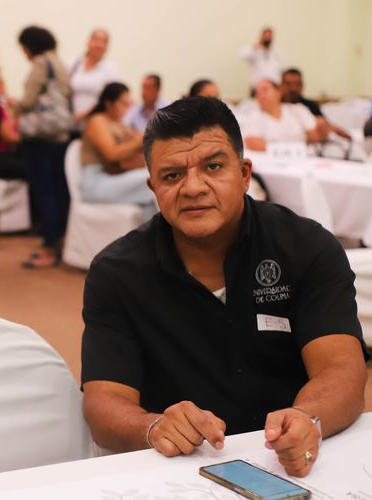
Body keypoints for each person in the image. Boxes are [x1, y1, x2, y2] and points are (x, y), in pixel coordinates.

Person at [81, 96, 368, 478]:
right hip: (176, 468)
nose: (193, 187)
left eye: (213, 167)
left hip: (288, 458)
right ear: (153, 188)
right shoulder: (116, 272)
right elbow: (104, 403)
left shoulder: (306, 248)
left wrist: (306, 418)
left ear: (245, 173)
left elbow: (342, 369)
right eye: (172, 176)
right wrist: (151, 427)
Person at [14, 25, 71, 269]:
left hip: (40, 137)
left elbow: (28, 101)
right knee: (59, 192)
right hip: (60, 136)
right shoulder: (59, 63)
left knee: (45, 193)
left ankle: (49, 247)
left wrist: (12, 106)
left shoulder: (40, 64)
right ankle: (59, 240)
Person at [79, 82, 155, 216]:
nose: (127, 108)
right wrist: (139, 140)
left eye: (128, 103)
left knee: (152, 193)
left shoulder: (118, 123)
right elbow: (111, 154)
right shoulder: (98, 121)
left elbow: (136, 142)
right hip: (96, 182)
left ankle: (157, 236)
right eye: (123, 103)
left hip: (112, 177)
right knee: (152, 180)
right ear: (109, 103)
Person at [241, 78, 328, 152]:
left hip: (303, 160)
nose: (260, 95)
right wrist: (295, 150)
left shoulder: (298, 110)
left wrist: (322, 129)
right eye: (256, 92)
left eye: (265, 89)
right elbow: (254, 144)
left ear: (279, 93)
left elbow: (314, 136)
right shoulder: (253, 117)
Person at [281, 68, 352, 141]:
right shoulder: (275, 106)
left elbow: (324, 125)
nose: (293, 88)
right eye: (288, 84)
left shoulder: (310, 106)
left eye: (297, 84)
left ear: (303, 85)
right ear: (281, 85)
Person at [69, 29, 120, 123]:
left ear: (107, 46)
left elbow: (110, 98)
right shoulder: (73, 64)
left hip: (96, 123)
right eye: (96, 40)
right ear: (88, 42)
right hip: (70, 122)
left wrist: (85, 115)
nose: (98, 45)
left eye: (103, 42)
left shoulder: (110, 69)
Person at [240, 26, 286, 91]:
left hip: (274, 88)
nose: (267, 38)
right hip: (256, 87)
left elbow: (284, 68)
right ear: (261, 36)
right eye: (266, 36)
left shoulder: (277, 52)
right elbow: (242, 56)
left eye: (269, 36)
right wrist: (256, 46)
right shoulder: (254, 50)